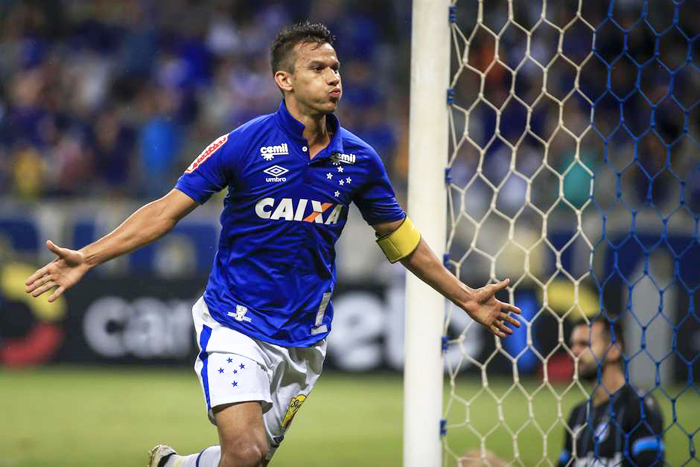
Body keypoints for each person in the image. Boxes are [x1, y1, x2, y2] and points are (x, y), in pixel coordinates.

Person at [25, 22, 522, 467]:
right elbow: (166, 210)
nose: (334, 78)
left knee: (248, 459)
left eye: (336, 67)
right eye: (317, 68)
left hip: (305, 337)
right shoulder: (243, 143)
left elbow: (401, 240)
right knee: (246, 451)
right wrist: (88, 255)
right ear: (284, 80)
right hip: (234, 321)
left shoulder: (361, 160)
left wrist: (463, 295)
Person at [461, 316, 665, 467]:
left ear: (614, 350)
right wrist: (498, 465)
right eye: (573, 344)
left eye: (584, 344)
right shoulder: (579, 414)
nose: (574, 351)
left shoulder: (639, 406)